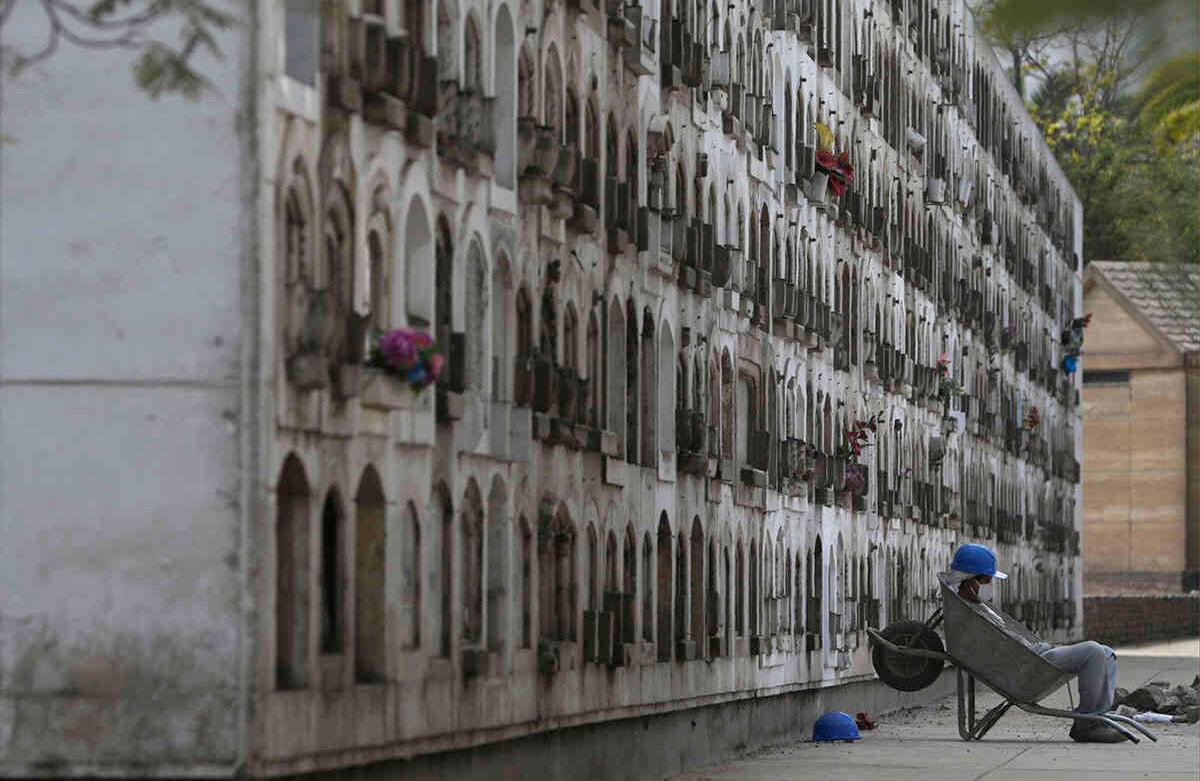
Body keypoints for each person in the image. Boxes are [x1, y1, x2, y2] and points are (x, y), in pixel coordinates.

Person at [946, 543, 1124, 744]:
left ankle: (1100, 718)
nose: (989, 584)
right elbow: (985, 650)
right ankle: (1087, 725)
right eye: (986, 579)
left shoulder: (978, 607)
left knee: (1106, 652)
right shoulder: (967, 614)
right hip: (1028, 662)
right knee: (1093, 651)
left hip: (1033, 653)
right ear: (970, 580)